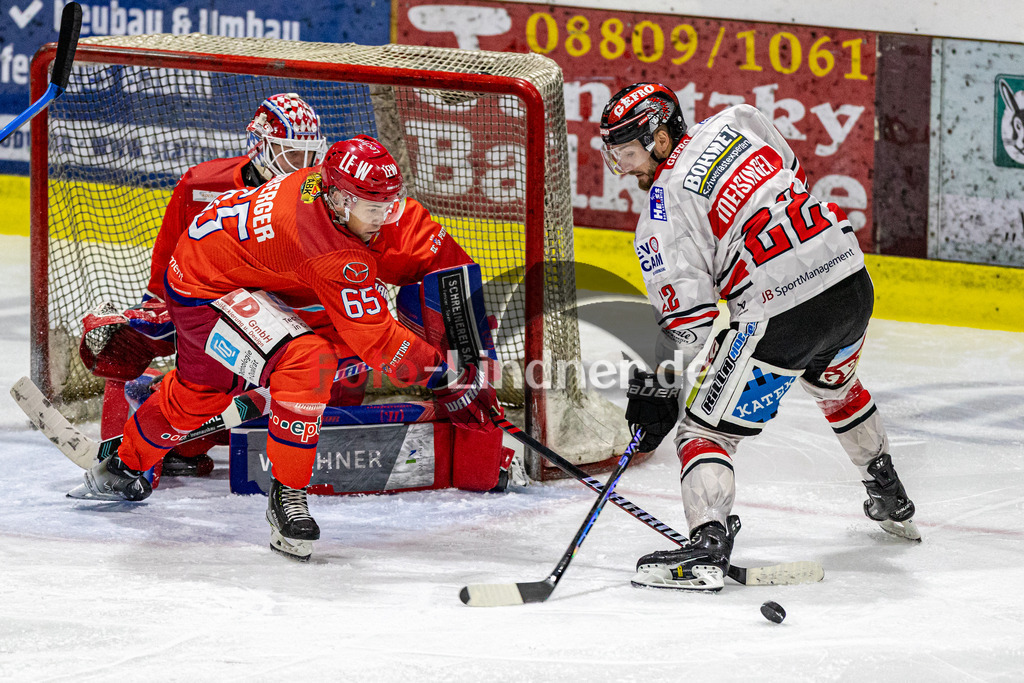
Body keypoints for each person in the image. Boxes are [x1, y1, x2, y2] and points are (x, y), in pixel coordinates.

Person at [69, 134, 500, 562]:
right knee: (299, 362)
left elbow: (443, 262)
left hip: (258, 274)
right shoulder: (328, 250)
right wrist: (449, 376)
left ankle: (124, 465)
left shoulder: (334, 195)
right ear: (340, 201)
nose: (384, 217)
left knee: (302, 362)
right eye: (373, 209)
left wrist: (474, 348)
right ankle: (287, 495)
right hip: (206, 288)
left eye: (390, 204)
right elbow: (382, 345)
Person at [598, 83, 919, 592]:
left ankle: (707, 545)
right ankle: (888, 491)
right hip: (851, 282)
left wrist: (657, 378)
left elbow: (690, 327)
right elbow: (790, 176)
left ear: (661, 139)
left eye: (630, 154)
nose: (626, 169)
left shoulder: (662, 213)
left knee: (704, 433)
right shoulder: (738, 120)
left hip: (782, 313)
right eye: (615, 156)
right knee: (834, 381)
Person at [80, 93, 328, 478]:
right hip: (206, 310)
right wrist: (155, 315)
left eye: (311, 156)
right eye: (292, 154)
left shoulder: (315, 195)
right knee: (123, 346)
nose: (304, 167)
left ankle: (173, 416)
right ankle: (141, 418)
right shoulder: (201, 183)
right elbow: (166, 265)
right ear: (259, 147)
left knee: (324, 382)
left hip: (279, 317)